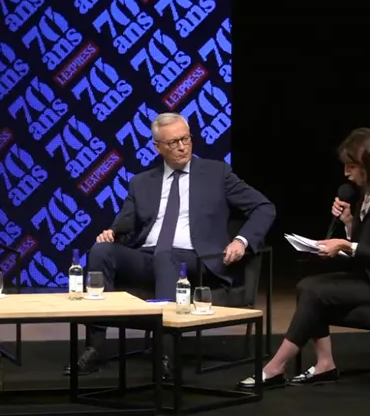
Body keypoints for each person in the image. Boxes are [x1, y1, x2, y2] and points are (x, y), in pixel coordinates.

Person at [68, 112, 276, 378]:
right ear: (158, 147)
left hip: (198, 261)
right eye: (173, 142)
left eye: (186, 139)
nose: (182, 147)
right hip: (148, 258)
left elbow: (264, 207)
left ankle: (166, 354)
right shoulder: (141, 182)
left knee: (167, 256)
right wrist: (111, 233)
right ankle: (96, 347)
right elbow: (124, 223)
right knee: (100, 251)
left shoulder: (217, 173)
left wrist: (241, 240)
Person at [237, 127, 370, 390]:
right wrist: (348, 223)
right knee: (308, 286)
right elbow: (367, 240)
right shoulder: (365, 193)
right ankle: (324, 363)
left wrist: (345, 245)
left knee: (314, 291)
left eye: (352, 166)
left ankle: (276, 366)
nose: (346, 173)